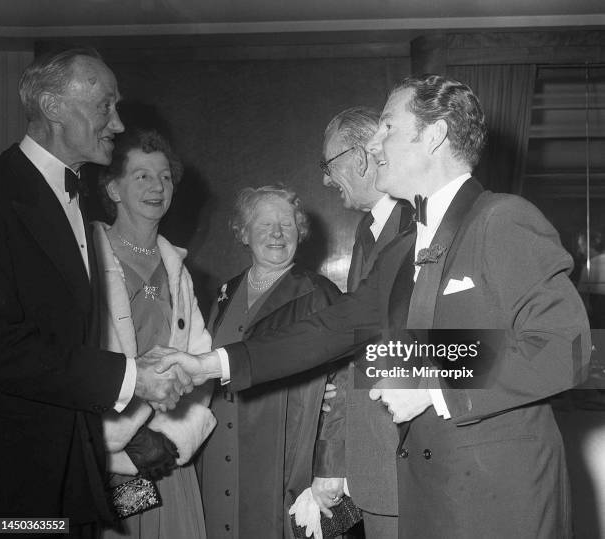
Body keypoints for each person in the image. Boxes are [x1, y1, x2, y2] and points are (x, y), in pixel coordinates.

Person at [158, 74, 592, 539]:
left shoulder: (502, 218)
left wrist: (431, 383)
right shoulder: (403, 248)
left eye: (387, 127)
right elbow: (330, 328)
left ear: (433, 136)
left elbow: (564, 348)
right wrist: (211, 363)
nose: (375, 142)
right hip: (424, 492)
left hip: (499, 500)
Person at [0, 49, 190, 535]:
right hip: (16, 483)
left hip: (74, 478)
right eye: (106, 106)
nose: (119, 124)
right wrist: (130, 378)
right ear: (53, 107)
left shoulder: (74, 200)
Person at [200, 186, 341, 539]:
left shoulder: (318, 294)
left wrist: (329, 466)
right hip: (217, 452)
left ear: (300, 233)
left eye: (287, 225)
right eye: (264, 225)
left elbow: (344, 392)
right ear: (244, 233)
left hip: (280, 460)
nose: (277, 234)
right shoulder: (224, 294)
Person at [95, 128, 215, 538]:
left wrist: (169, 441)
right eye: (141, 175)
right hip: (100, 464)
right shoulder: (87, 261)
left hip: (163, 462)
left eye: (165, 177)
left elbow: (201, 366)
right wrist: (118, 444)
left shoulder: (177, 272)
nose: (157, 186)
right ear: (113, 188)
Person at [313, 107, 414, 539]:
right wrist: (333, 461)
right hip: (374, 466)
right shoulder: (366, 234)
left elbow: (471, 353)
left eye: (328, 165)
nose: (324, 179)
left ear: (359, 157)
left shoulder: (419, 225)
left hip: (409, 463)